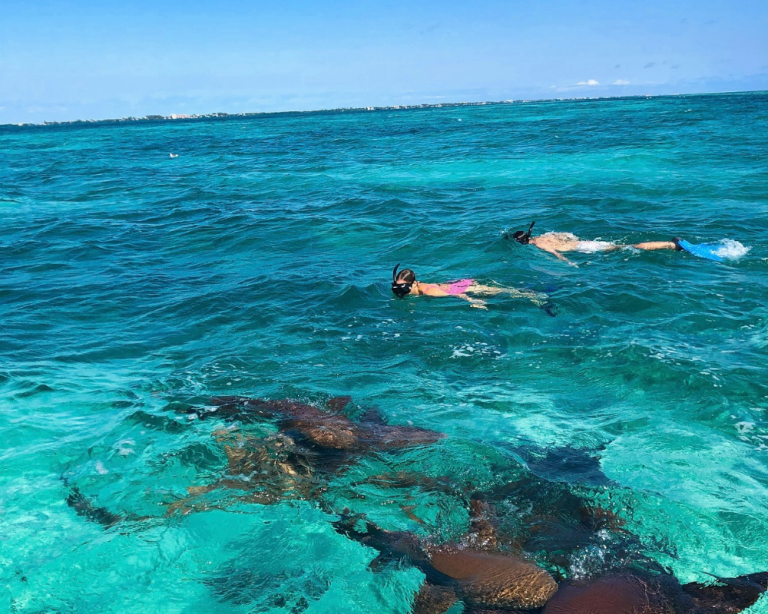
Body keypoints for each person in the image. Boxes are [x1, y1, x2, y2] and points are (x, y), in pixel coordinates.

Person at [391, 264, 557, 315]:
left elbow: (455, 294)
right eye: (396, 287)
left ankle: (536, 296)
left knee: (505, 292)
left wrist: (474, 301)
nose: (399, 291)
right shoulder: (414, 288)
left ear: (413, 284)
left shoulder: (429, 292)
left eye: (402, 287)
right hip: (456, 283)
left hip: (466, 287)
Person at [507, 221, 682, 266]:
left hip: (585, 249)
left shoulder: (539, 245)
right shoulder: (545, 235)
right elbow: (566, 235)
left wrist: (570, 264)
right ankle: (671, 244)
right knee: (623, 247)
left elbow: (556, 254)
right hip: (585, 242)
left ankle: (671, 245)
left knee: (632, 247)